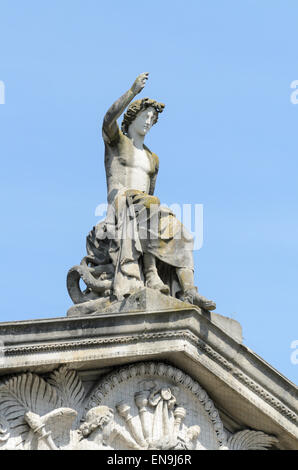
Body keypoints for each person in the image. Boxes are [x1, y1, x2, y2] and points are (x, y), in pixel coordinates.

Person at [100, 73, 216, 310]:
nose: (149, 121)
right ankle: (151, 273)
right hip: (122, 203)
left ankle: (190, 291)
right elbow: (107, 120)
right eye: (145, 115)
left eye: (152, 118)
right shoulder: (117, 142)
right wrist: (132, 91)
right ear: (133, 117)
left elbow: (151, 191)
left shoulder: (153, 158)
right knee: (149, 207)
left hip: (146, 205)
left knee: (183, 233)